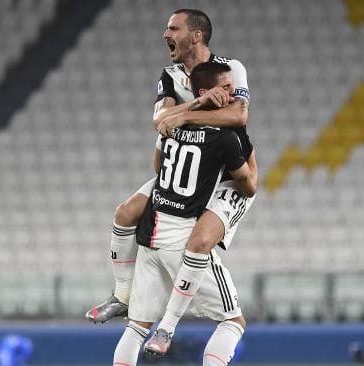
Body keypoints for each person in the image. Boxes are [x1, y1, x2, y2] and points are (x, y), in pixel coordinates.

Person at [86, 8, 253, 326]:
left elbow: (238, 116)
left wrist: (184, 115)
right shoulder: (169, 77)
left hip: (223, 172)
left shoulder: (231, 70)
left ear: (196, 36)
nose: (166, 34)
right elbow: (159, 121)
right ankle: (123, 295)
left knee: (200, 242)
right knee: (125, 213)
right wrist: (197, 105)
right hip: (182, 169)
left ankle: (182, 317)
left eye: (173, 28)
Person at [113, 62, 258, 366]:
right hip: (184, 242)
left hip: (150, 237)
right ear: (208, 92)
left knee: (136, 327)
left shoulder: (170, 124)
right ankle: (169, 329)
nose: (235, 93)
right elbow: (248, 185)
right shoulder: (226, 137)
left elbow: (157, 167)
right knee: (233, 322)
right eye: (228, 87)